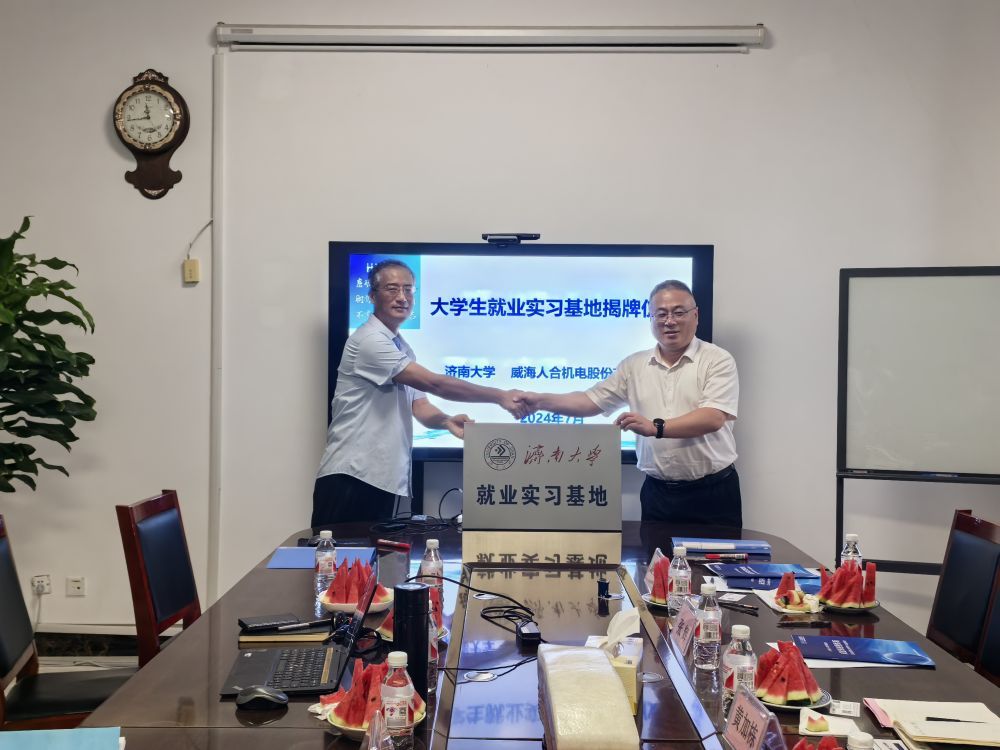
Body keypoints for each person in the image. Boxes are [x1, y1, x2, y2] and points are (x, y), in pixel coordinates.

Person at [312, 259, 528, 527]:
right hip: (351, 475)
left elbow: (420, 406)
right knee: (335, 554)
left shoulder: (400, 346)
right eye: (392, 289)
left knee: (377, 553)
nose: (402, 297)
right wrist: (500, 396)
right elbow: (435, 384)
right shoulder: (370, 341)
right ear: (372, 296)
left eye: (408, 289)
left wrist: (446, 420)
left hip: (379, 477)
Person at [518, 280, 741, 527]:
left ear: (695, 315)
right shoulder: (634, 365)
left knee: (718, 554)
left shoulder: (717, 360)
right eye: (661, 314)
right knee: (654, 554)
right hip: (658, 494)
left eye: (679, 313)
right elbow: (589, 402)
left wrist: (655, 427)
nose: (669, 321)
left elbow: (713, 417)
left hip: (713, 492)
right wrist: (539, 401)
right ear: (651, 319)